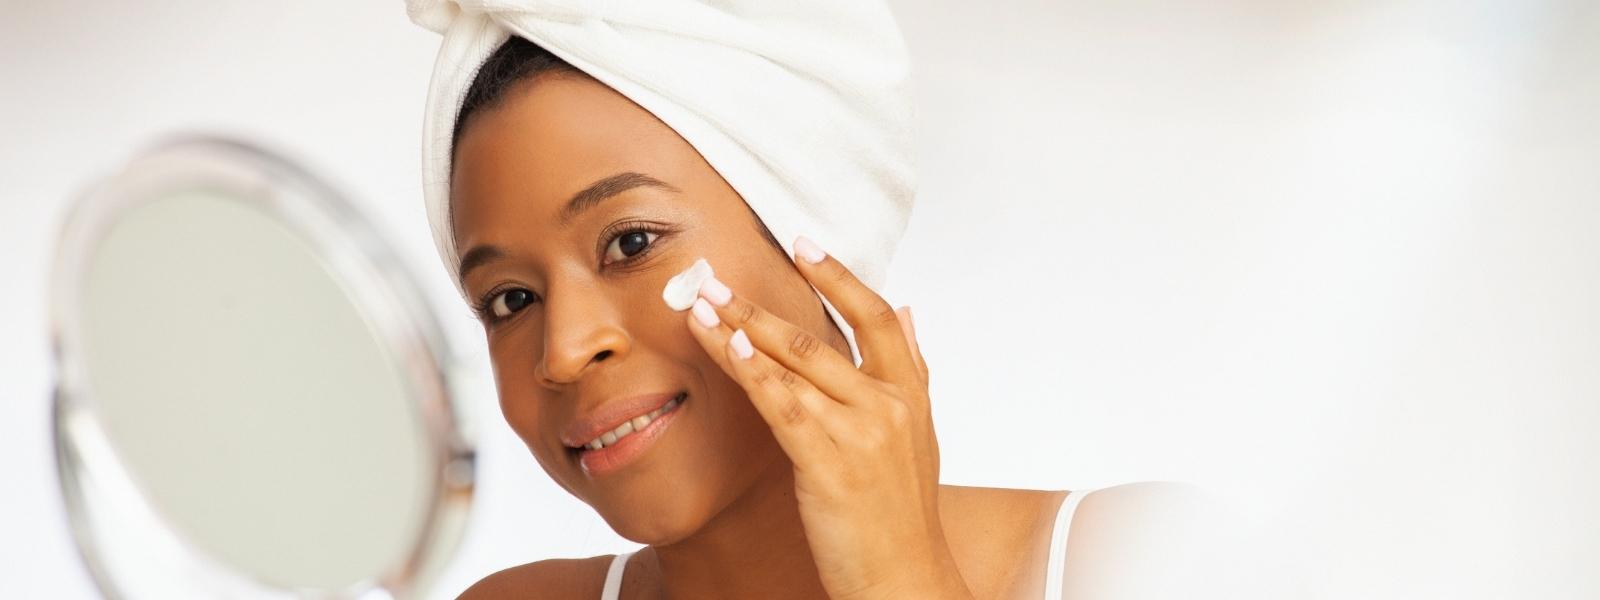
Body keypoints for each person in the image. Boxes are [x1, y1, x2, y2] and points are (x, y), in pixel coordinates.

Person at [409, 5, 1219, 599]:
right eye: (510, 298)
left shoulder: (1143, 564)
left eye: (630, 243)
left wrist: (904, 580)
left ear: (818, 232)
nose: (563, 349)